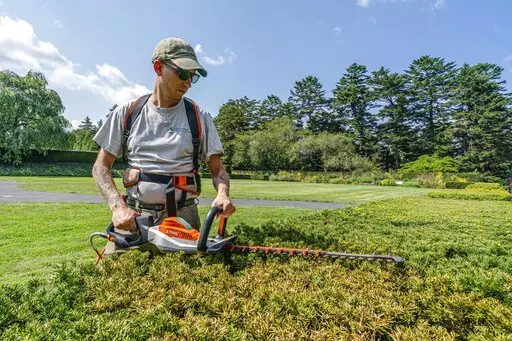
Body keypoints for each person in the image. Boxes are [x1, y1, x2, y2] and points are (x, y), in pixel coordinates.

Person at [92, 37, 235, 256]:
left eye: (193, 76)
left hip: (183, 220)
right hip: (135, 220)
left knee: (184, 285)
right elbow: (100, 167)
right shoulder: (128, 113)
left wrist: (223, 194)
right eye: (183, 73)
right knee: (114, 278)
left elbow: (218, 171)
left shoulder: (199, 118)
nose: (188, 82)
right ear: (159, 67)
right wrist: (117, 206)